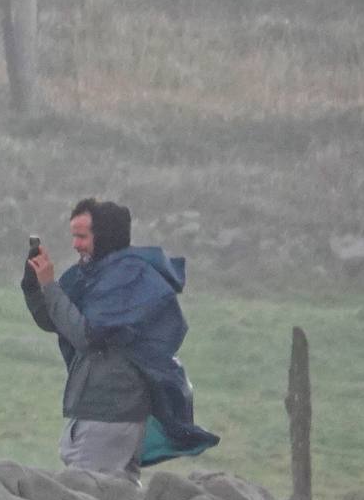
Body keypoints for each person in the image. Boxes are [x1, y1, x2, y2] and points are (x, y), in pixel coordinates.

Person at [22, 198, 218, 483]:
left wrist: (51, 287)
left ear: (104, 236)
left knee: (87, 495)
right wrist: (34, 286)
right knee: (117, 495)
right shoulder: (91, 275)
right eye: (73, 236)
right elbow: (56, 321)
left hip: (111, 409)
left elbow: (86, 336)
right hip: (93, 406)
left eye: (82, 236)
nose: (75, 245)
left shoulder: (127, 278)